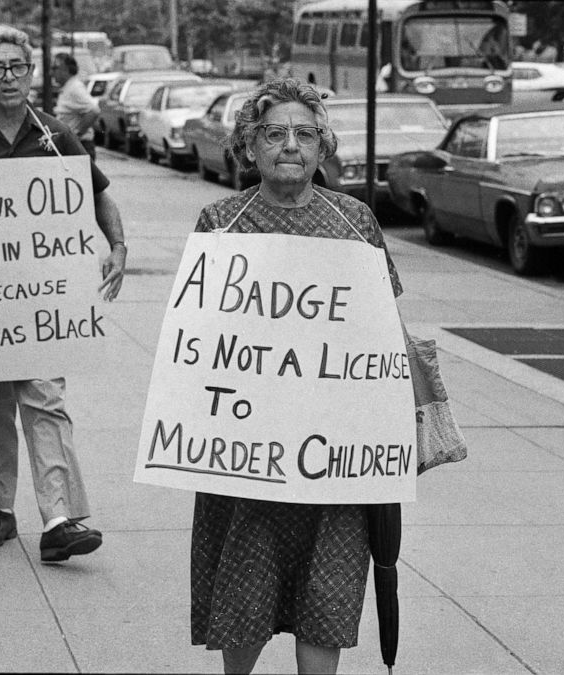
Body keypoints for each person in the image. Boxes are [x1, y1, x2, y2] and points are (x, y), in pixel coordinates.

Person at [189, 78, 403, 674]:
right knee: (246, 583)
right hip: (247, 453)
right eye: (274, 133)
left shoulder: (356, 221)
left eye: (304, 133)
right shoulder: (221, 223)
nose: (290, 144)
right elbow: (197, 335)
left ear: (322, 147)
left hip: (333, 454)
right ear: (250, 147)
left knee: (327, 586)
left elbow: (386, 330)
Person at [0, 25, 127, 563]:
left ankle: (60, 519)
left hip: (43, 300)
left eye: (18, 67)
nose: (9, 78)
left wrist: (118, 247)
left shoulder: (56, 135)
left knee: (46, 400)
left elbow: (99, 194)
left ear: (31, 73)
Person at [51, 51, 99, 161]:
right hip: (72, 147)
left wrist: (77, 133)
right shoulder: (67, 88)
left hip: (80, 147)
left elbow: (94, 110)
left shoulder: (75, 88)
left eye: (55, 68)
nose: (52, 73)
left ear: (66, 69)